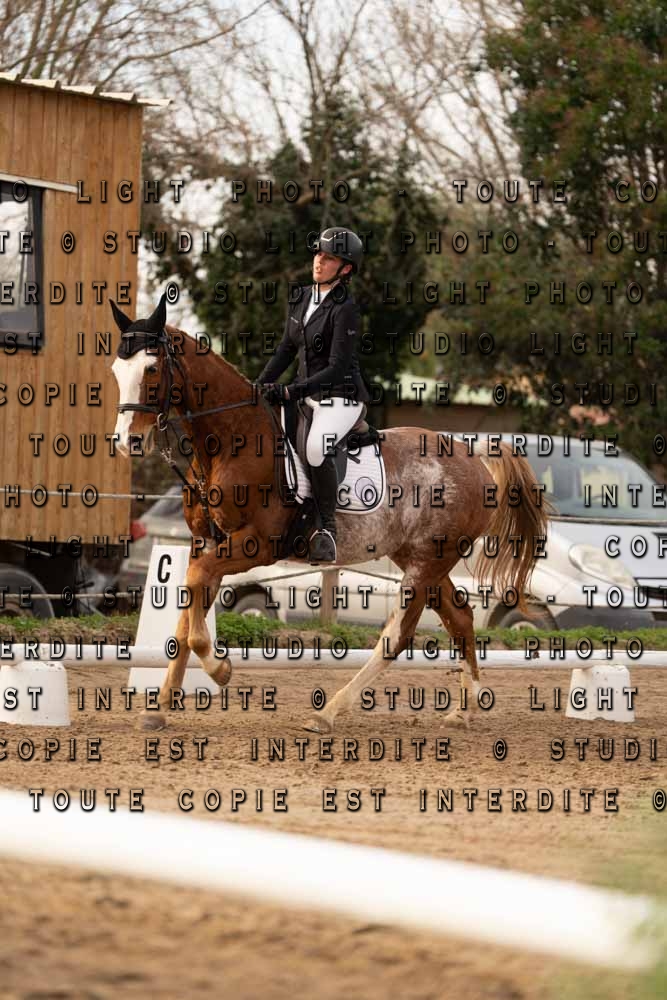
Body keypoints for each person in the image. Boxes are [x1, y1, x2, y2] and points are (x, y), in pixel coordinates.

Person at [257, 227, 370, 563]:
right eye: (318, 253)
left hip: (341, 397)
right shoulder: (301, 297)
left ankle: (327, 529)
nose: (319, 261)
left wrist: (291, 390)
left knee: (316, 448)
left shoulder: (345, 308)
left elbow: (336, 367)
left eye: (329, 257)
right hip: (306, 395)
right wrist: (257, 386)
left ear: (345, 269)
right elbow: (286, 349)